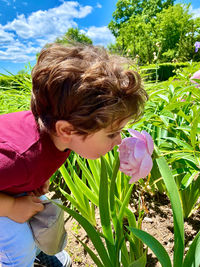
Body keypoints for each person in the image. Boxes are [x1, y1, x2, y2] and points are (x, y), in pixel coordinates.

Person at [0, 43, 148, 267]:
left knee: (42, 214)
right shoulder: (15, 158)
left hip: (10, 185)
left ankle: (38, 249)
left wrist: (35, 181)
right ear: (66, 130)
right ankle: (21, 258)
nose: (119, 141)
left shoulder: (61, 136)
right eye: (111, 134)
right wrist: (10, 207)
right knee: (18, 245)